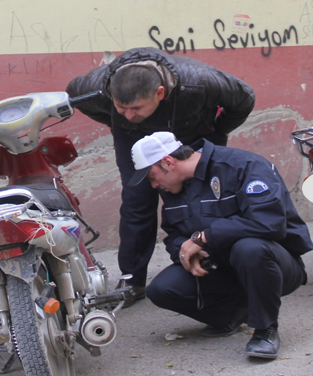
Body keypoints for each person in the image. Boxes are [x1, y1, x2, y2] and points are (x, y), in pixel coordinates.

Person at [65, 48, 255, 306]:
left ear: (160, 93)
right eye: (121, 107)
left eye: (135, 108)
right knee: (136, 201)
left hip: (192, 133)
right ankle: (132, 281)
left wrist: (215, 133)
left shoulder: (198, 81)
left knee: (203, 198)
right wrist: (120, 121)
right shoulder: (96, 86)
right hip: (134, 138)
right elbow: (74, 96)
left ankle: (217, 265)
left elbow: (244, 98)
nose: (129, 112)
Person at [130, 131, 313, 358]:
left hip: (273, 265)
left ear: (168, 162)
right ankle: (234, 314)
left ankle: (265, 330)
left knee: (249, 248)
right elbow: (174, 234)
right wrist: (185, 252)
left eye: (151, 176)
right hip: (220, 266)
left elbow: (270, 223)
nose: (154, 184)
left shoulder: (243, 166)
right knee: (161, 290)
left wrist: (204, 237)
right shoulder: (174, 188)